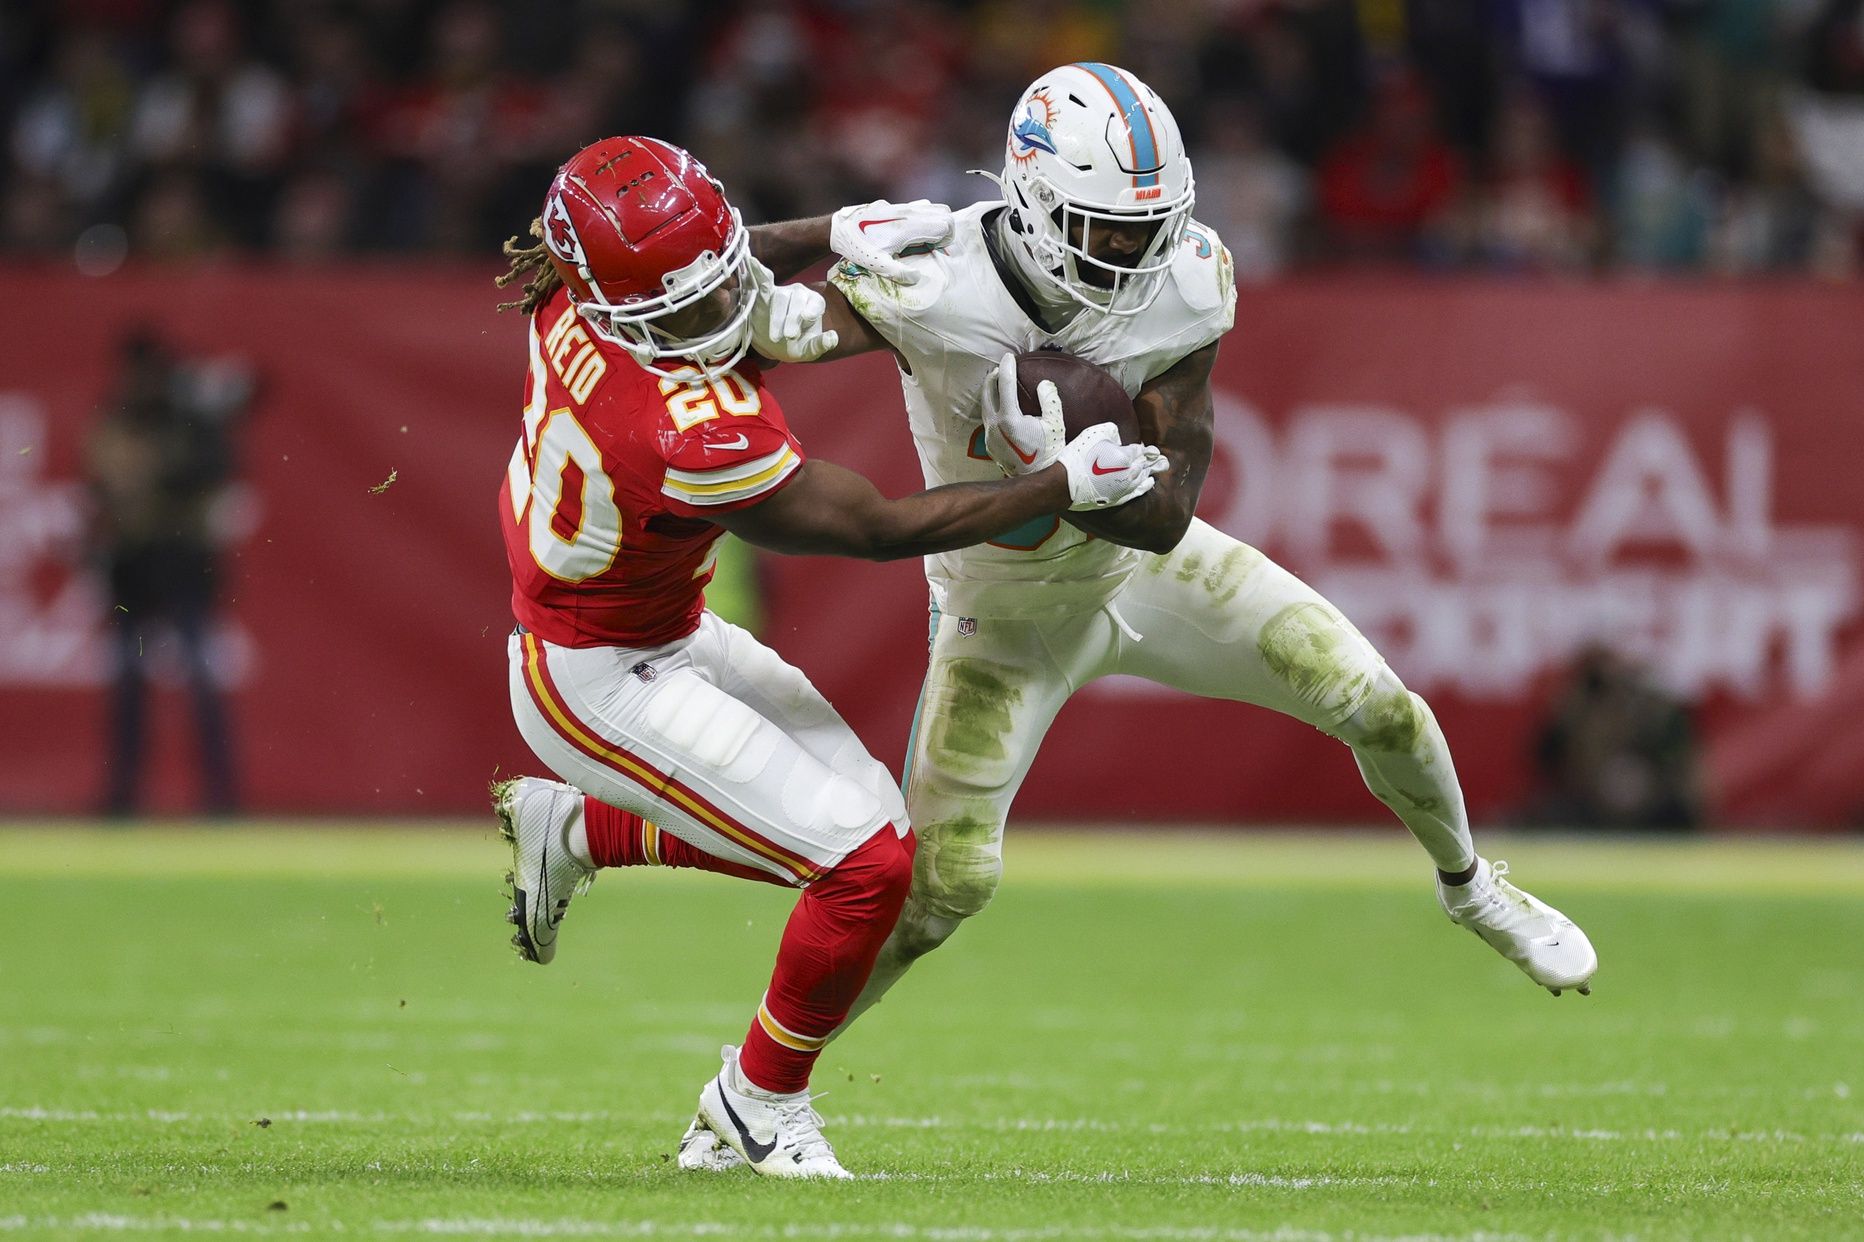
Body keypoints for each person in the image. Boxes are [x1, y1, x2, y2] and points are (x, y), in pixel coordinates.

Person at [664, 66, 1603, 1119]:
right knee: (942, 889)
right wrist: (828, 232)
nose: (1134, 252)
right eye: (1106, 228)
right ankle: (752, 1092)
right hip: (1000, 614)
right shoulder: (931, 279)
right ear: (1028, 194)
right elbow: (724, 329)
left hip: (1148, 569)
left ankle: (1472, 886)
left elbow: (1169, 506)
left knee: (1377, 701)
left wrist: (1082, 481)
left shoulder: (1189, 276)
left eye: (1150, 226)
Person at [490, 135, 1163, 1180]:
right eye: (682, 311)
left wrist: (829, 231)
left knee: (877, 852)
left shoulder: (563, 292)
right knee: (861, 869)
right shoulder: (681, 432)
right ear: (618, 302)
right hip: (593, 678)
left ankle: (577, 831)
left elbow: (696, 267)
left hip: (664, 632)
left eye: (720, 282)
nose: (717, 317)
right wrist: (1057, 487)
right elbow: (881, 530)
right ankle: (759, 1105)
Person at [86, 328, 249, 817]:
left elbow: (211, 469)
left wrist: (149, 475)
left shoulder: (190, 421)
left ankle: (219, 796)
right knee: (131, 688)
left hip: (181, 567)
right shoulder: (117, 420)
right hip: (135, 571)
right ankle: (123, 794)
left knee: (199, 684)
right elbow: (101, 485)